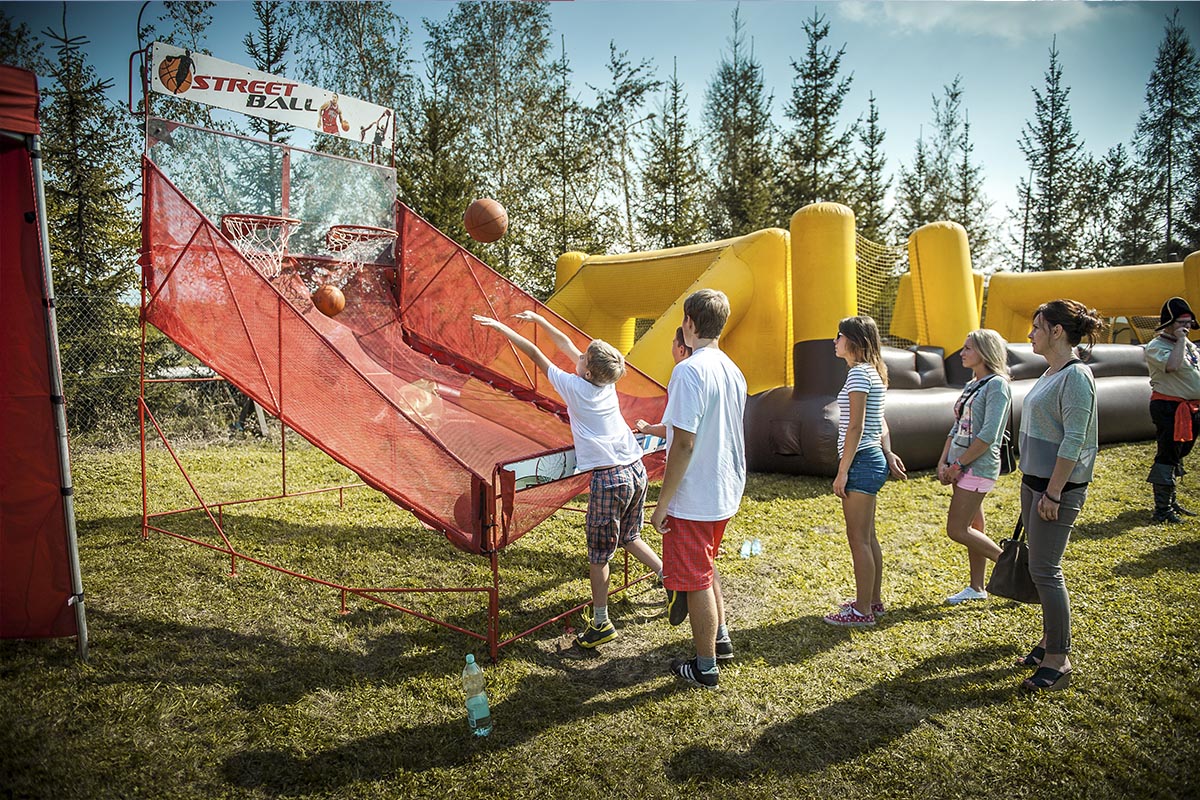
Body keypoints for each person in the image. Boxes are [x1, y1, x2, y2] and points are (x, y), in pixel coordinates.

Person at [473, 310, 663, 649]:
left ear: (587, 369)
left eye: (583, 355)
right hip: (636, 468)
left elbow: (536, 354)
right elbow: (566, 344)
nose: (577, 354)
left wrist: (502, 328)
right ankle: (670, 577)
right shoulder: (605, 379)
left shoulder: (575, 386)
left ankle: (602, 622)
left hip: (611, 478)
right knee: (630, 536)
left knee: (598, 555)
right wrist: (540, 320)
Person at [650, 289, 745, 690]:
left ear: (689, 322)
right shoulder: (732, 369)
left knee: (696, 581)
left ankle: (705, 666)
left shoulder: (688, 371)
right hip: (723, 488)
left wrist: (662, 502)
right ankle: (719, 639)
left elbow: (684, 444)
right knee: (705, 567)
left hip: (696, 495)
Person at [1014, 299, 1104, 692]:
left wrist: (1052, 493)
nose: (1030, 333)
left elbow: (1075, 439)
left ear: (1056, 331)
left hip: (1056, 490)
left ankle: (1059, 659)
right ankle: (1050, 641)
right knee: (1039, 567)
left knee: (1046, 571)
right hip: (1035, 484)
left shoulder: (1076, 376)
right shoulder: (1049, 372)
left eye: (1037, 326)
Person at [824, 316, 907, 628]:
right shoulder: (871, 373)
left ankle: (861, 611)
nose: (835, 341)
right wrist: (888, 451)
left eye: (839, 335)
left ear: (854, 341)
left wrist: (842, 471)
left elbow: (857, 427)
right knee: (868, 536)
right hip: (871, 458)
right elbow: (880, 422)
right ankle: (872, 601)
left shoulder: (859, 375)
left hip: (860, 460)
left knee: (858, 538)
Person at [936, 329, 1011, 605]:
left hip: (977, 467)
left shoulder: (997, 385)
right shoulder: (972, 384)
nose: (962, 352)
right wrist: (943, 460)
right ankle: (977, 587)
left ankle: (1015, 569)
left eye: (968, 348)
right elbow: (956, 426)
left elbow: (988, 435)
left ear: (985, 352)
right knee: (974, 526)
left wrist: (957, 464)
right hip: (960, 464)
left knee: (957, 530)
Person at [1144, 296, 1200, 524]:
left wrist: (1183, 341)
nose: (1185, 327)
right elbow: (1173, 366)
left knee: (1181, 453)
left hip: (1191, 407)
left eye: (1188, 322)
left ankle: (1172, 500)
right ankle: (1162, 508)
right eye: (1180, 323)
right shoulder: (1156, 346)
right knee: (1168, 454)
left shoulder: (1188, 346)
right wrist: (1179, 341)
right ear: (1168, 324)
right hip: (1170, 407)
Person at [635, 327, 692, 439]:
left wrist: (648, 429)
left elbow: (675, 429)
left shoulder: (681, 375)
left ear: (681, 350)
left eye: (673, 343)